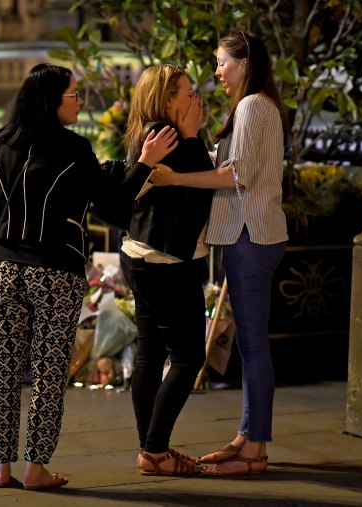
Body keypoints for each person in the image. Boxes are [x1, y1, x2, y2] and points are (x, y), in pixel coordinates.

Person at [0, 63, 177, 490]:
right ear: (51, 101)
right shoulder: (73, 149)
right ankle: (35, 469)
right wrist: (144, 164)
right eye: (74, 95)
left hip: (6, 268)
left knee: (3, 368)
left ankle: (0, 467)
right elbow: (114, 207)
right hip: (55, 273)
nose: (81, 101)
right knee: (49, 371)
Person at [149, 32, 288, 476]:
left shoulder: (252, 106)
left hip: (252, 235)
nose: (217, 71)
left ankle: (256, 449)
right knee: (251, 348)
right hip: (250, 234)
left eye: (222, 62)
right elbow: (229, 162)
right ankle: (248, 436)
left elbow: (235, 175)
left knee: (254, 347)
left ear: (244, 63)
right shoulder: (256, 105)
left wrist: (175, 179)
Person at [119, 64, 214, 476]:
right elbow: (194, 193)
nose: (195, 99)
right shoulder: (170, 136)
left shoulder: (148, 131)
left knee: (150, 350)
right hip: (166, 261)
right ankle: (155, 449)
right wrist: (193, 137)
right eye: (188, 93)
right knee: (188, 357)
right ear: (167, 99)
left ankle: (150, 448)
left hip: (140, 255)